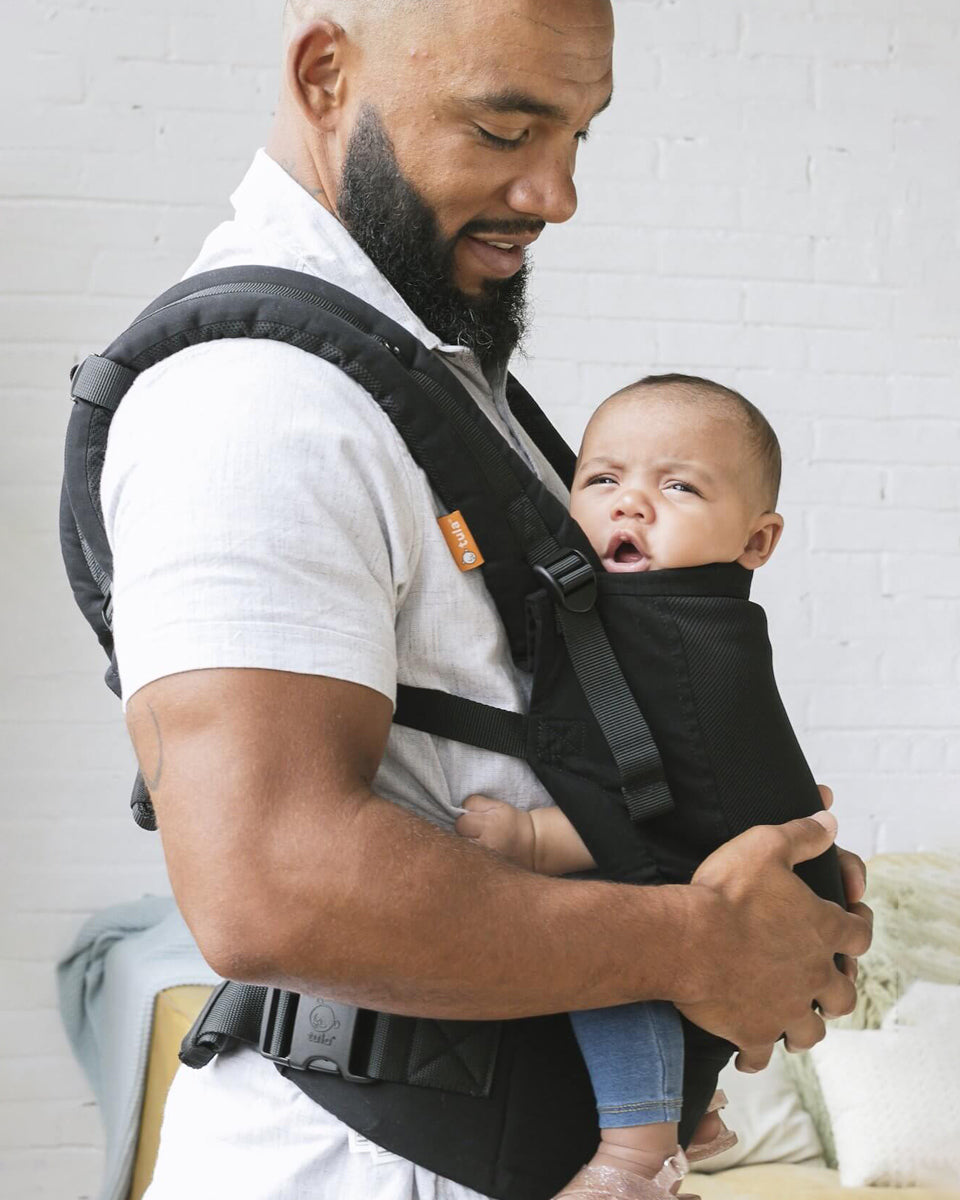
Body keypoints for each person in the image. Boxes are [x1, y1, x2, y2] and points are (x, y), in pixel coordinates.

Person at [102, 2, 872, 1197]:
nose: (556, 193)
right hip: (360, 1162)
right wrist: (703, 942)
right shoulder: (254, 406)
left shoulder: (415, 375)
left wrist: (754, 861)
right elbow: (269, 886)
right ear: (324, 76)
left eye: (579, 135)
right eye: (506, 128)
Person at [456, 373, 797, 1198]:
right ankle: (696, 1106)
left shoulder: (684, 639)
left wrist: (534, 839)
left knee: (614, 944)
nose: (629, 505)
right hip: (746, 874)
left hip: (722, 877)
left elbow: (662, 803)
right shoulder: (647, 608)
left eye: (677, 486)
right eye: (602, 480)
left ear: (757, 542)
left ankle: (641, 1151)